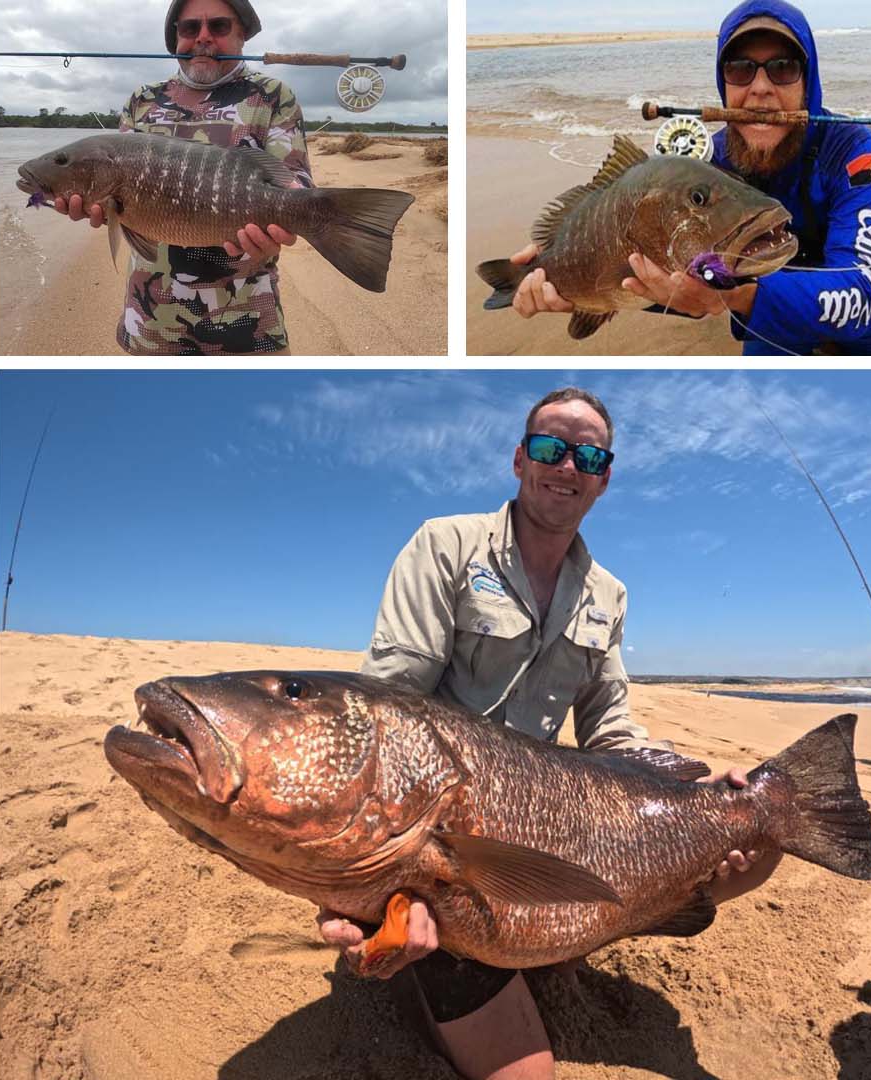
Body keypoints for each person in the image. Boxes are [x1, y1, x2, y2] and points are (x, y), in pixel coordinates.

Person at [327, 387, 781, 1080]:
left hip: (556, 822)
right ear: (519, 459)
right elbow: (390, 708)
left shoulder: (608, 592)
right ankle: (438, 963)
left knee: (763, 837)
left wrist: (694, 787)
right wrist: (364, 874)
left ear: (604, 477)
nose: (566, 465)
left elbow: (612, 727)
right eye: (550, 447)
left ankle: (551, 945)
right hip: (449, 836)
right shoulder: (445, 545)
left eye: (587, 454)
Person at [504, 0, 871, 356]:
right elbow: (662, 272)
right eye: (740, 69)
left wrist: (734, 295)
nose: (760, 88)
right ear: (723, 83)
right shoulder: (707, 160)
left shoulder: (854, 149)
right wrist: (570, 278)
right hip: (757, 310)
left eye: (782, 67)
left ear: (807, 81)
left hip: (835, 307)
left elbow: (862, 295)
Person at [48, 0, 312, 354]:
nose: (202, 37)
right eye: (189, 28)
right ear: (176, 37)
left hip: (249, 323)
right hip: (151, 320)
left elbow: (296, 179)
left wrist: (296, 210)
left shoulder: (273, 96)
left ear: (242, 34)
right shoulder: (142, 100)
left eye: (218, 26)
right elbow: (116, 196)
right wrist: (97, 206)